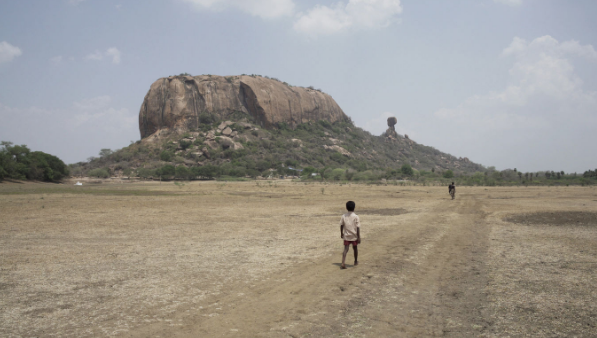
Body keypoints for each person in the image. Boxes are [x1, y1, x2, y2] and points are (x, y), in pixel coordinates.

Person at [340, 201, 360, 269]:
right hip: (354, 236)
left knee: (345, 249)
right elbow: (358, 227)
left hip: (346, 235)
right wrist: (359, 237)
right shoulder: (356, 216)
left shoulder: (343, 216)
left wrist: (341, 233)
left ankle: (343, 263)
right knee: (355, 248)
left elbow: (341, 225)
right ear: (354, 208)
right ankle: (355, 261)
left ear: (346, 208)